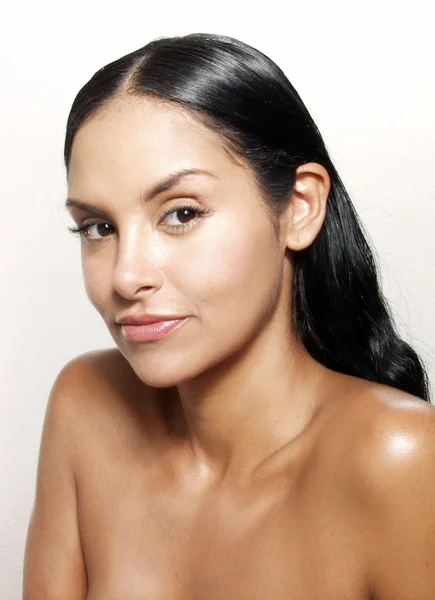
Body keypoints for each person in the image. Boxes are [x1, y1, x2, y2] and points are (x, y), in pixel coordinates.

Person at [23, 33, 435, 599]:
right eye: (99, 227)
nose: (125, 275)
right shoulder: (87, 410)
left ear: (299, 208)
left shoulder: (400, 458)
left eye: (182, 213)